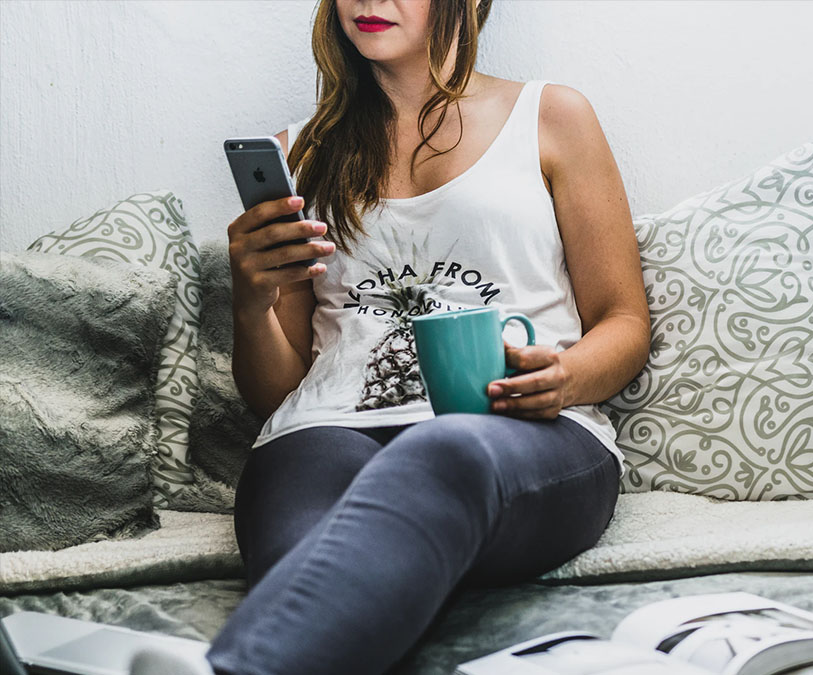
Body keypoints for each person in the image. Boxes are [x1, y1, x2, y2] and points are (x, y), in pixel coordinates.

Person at [131, 0, 648, 673]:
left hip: (514, 428)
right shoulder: (299, 155)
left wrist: (564, 378)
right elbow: (276, 392)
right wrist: (253, 299)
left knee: (445, 448)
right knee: (320, 578)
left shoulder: (553, 117)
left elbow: (625, 320)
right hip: (322, 430)